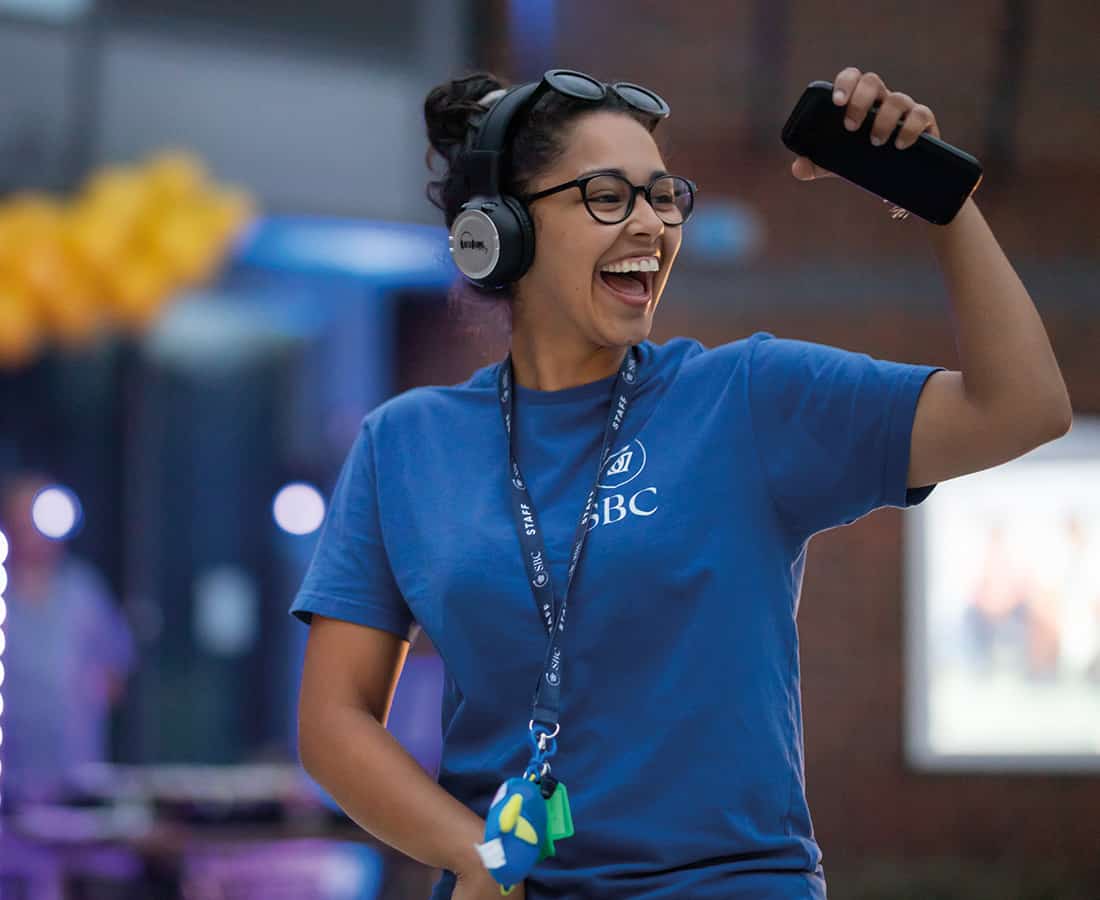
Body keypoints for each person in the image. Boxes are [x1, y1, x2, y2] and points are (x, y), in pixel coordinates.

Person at [291, 66, 1072, 899]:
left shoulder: (749, 398)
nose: (651, 226)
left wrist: (939, 203)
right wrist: (474, 853)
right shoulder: (406, 444)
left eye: (665, 198)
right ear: (501, 230)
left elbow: (1020, 408)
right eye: (608, 197)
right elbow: (335, 721)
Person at [1, 472, 135, 804]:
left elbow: (116, 675)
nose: (31, 532)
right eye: (21, 520)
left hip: (75, 783)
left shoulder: (84, 592)